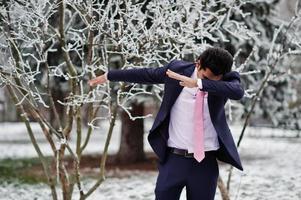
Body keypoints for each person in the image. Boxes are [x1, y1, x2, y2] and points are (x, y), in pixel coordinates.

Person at [89, 47, 244, 200]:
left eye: (213, 81)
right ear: (198, 63)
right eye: (204, 77)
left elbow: (237, 91)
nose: (208, 82)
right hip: (174, 160)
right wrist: (110, 75)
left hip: (205, 164)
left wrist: (198, 83)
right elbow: (146, 74)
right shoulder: (177, 71)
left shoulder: (227, 80)